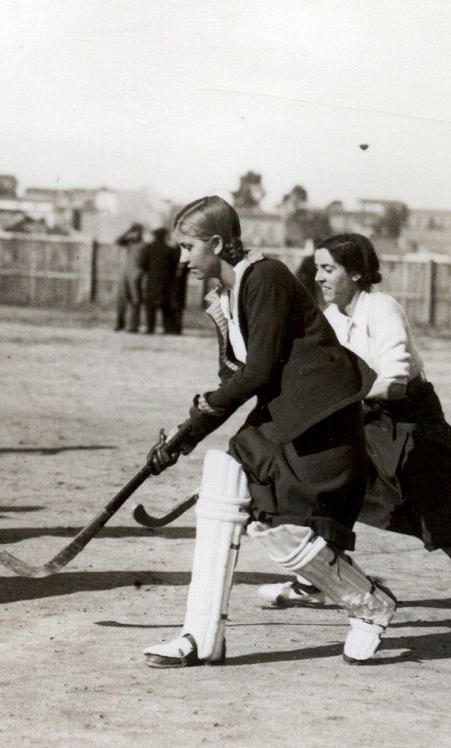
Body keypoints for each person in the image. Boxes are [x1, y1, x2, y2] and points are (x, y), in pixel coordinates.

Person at [142, 196, 393, 667]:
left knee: (274, 526)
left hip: (321, 416)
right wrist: (183, 437)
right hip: (285, 413)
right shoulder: (224, 295)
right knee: (226, 484)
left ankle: (371, 604)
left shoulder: (266, 277)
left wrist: (195, 426)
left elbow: (257, 372)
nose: (182, 259)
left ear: (216, 243)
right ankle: (201, 636)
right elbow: (234, 376)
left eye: (187, 247)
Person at [257, 233, 451, 646]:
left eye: (329, 269)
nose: (319, 276)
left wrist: (343, 403)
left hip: (411, 422)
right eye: (318, 268)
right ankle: (315, 584)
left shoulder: (381, 307)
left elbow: (394, 380)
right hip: (364, 418)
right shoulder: (332, 316)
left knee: (436, 516)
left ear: (357, 272)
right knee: (330, 490)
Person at [141, 227, 181, 335]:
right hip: (166, 281)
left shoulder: (148, 248)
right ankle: (167, 328)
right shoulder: (170, 250)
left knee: (150, 305)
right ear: (164, 237)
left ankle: (150, 328)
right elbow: (174, 266)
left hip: (152, 280)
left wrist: (150, 271)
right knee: (166, 304)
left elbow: (143, 264)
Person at [113, 223, 145, 332]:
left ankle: (133, 326)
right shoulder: (128, 243)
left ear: (141, 233)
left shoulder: (144, 245)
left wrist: (140, 273)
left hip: (136, 274)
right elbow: (117, 241)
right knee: (121, 300)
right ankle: (119, 324)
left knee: (135, 300)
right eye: (134, 231)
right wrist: (127, 231)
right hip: (124, 274)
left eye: (137, 231)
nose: (135, 234)